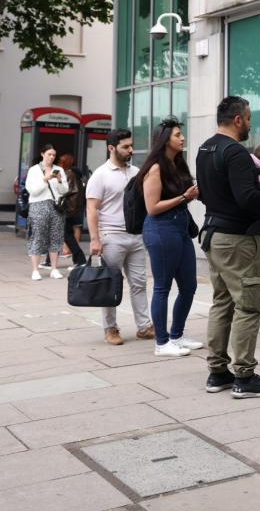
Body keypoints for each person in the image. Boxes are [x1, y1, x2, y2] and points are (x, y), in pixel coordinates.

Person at [196, 96, 260, 398]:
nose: (250, 124)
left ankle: (217, 372)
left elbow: (208, 193)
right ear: (237, 120)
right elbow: (247, 197)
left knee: (222, 302)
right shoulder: (234, 151)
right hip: (237, 238)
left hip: (213, 236)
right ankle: (244, 377)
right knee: (249, 305)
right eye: (248, 118)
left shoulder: (205, 148)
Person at [140, 117, 202, 359]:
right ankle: (161, 341)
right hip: (161, 229)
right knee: (163, 287)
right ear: (165, 139)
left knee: (189, 286)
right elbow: (152, 207)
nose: (182, 138)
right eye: (177, 135)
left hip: (180, 229)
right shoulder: (155, 168)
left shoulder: (178, 163)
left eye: (181, 134)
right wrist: (184, 198)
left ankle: (177, 335)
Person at [85, 128, 154, 346]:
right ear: (111, 148)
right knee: (110, 286)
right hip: (111, 237)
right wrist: (95, 240)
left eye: (131, 145)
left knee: (139, 284)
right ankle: (110, 328)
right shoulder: (100, 175)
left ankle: (144, 327)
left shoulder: (136, 172)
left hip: (136, 236)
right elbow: (91, 210)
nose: (130, 150)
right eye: (125, 147)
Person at [25, 144, 68, 280]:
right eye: (49, 154)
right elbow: (32, 190)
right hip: (38, 205)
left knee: (56, 236)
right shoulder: (34, 170)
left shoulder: (59, 169)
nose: (51, 157)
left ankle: (54, 269)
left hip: (56, 206)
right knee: (38, 235)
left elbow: (64, 190)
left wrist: (60, 180)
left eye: (54, 155)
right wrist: (45, 179)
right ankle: (35, 270)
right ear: (42, 154)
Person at [57, 154, 87, 266]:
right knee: (67, 234)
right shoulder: (73, 174)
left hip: (68, 209)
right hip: (73, 208)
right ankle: (78, 260)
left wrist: (58, 181)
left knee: (67, 235)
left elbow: (65, 190)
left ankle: (80, 260)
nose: (59, 163)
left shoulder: (68, 174)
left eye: (61, 161)